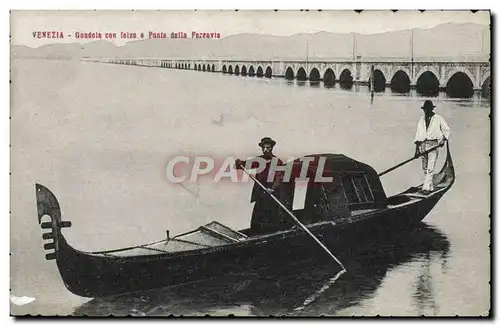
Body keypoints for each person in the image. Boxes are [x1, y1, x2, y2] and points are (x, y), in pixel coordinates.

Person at [235, 137, 290, 232]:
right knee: (257, 218)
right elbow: (245, 164)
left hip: (272, 194)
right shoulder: (259, 160)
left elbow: (279, 177)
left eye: (268, 147)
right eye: (263, 148)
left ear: (272, 148)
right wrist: (239, 163)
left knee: (271, 217)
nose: (265, 150)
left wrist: (272, 188)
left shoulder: (277, 161)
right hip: (260, 193)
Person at [414, 100, 451, 195]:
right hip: (422, 145)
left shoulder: (438, 118)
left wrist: (443, 140)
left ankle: (426, 188)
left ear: (431, 109)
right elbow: (418, 135)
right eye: (425, 110)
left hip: (433, 145)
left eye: (427, 109)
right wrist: (417, 150)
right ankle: (429, 187)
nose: (426, 111)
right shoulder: (421, 120)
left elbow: (446, 129)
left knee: (430, 168)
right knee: (425, 168)